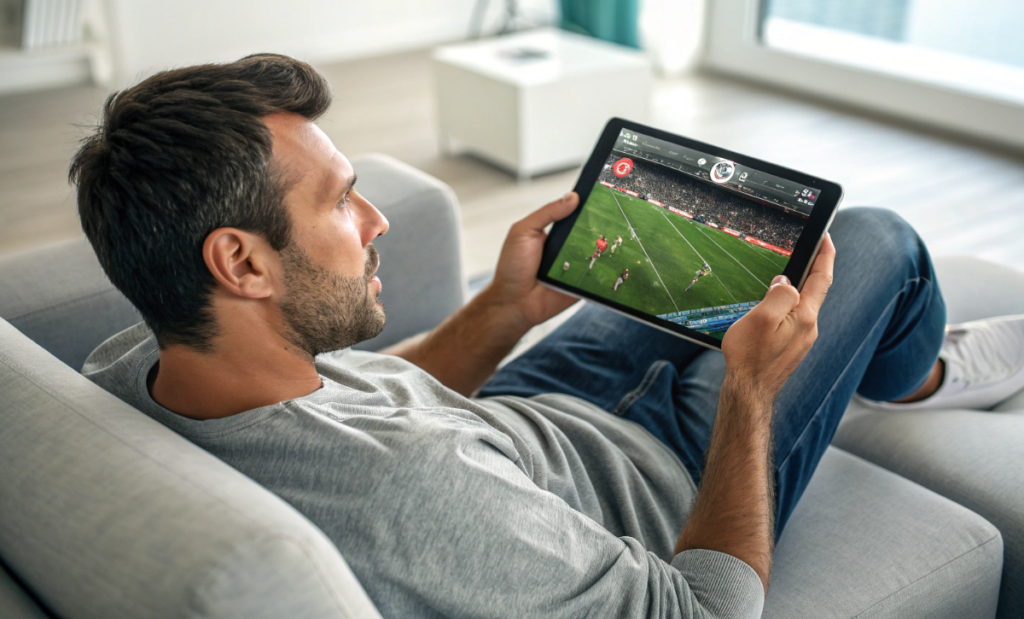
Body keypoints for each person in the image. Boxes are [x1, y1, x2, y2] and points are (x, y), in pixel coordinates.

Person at [71, 54, 1024, 618]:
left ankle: (870, 357)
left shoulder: (136, 365)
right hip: (674, 470)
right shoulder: (413, 498)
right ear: (241, 263)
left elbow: (353, 406)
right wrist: (752, 392)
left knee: (743, 255)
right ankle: (921, 376)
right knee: (875, 240)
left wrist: (503, 312)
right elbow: (698, 610)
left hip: (526, 413)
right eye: (339, 200)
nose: (375, 221)